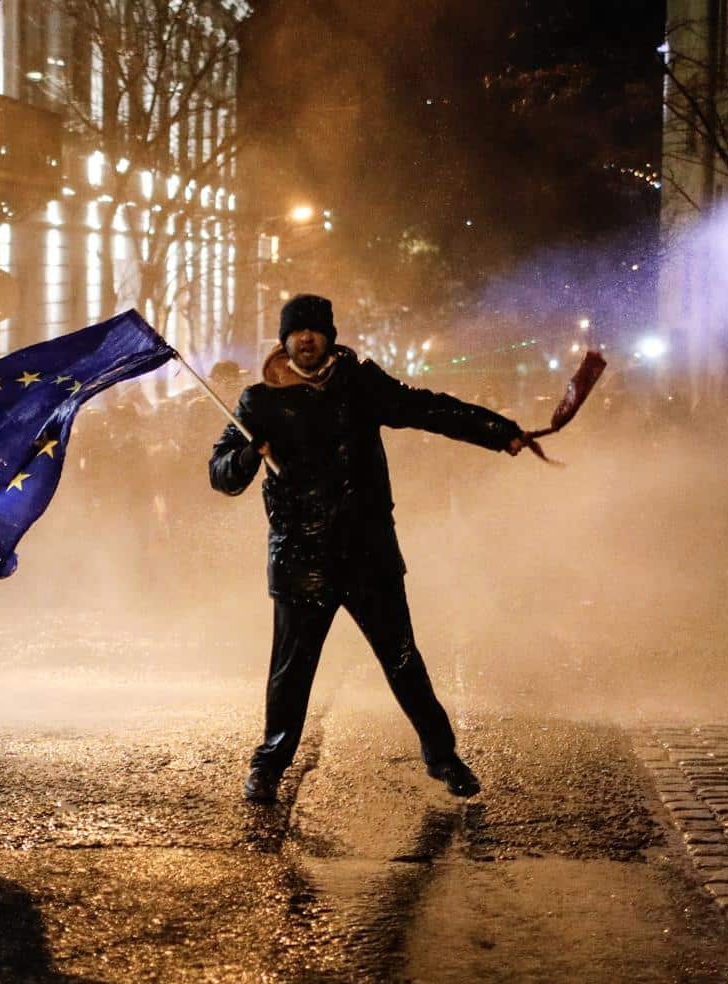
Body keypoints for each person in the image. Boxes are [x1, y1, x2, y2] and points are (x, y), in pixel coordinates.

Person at [209, 293, 530, 804]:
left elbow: (426, 408)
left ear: (329, 336)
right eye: (297, 331)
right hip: (301, 561)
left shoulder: (360, 384)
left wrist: (497, 431)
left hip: (367, 554)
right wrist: (250, 454)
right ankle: (268, 765)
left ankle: (443, 758)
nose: (307, 338)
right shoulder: (259, 401)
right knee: (291, 674)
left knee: (403, 661)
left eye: (315, 329)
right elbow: (220, 476)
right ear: (284, 339)